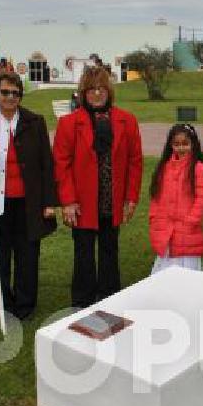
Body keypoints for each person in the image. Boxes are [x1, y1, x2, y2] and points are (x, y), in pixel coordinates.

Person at [0, 72, 59, 321]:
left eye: (15, 93)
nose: (10, 97)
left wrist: (49, 202)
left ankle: (25, 304)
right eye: (5, 92)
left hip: (28, 203)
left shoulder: (34, 122)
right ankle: (2, 305)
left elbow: (46, 164)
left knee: (28, 255)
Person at [53, 66, 144, 309]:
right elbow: (61, 165)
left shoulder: (127, 120)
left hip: (111, 199)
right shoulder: (69, 124)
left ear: (109, 91)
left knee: (109, 251)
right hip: (82, 202)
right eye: (91, 89)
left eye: (101, 88)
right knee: (83, 254)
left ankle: (110, 300)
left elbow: (135, 162)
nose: (96, 94)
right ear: (83, 93)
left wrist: (130, 198)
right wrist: (68, 201)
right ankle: (82, 303)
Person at [148, 123, 203, 274]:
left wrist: (191, 220)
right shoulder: (164, 168)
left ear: (193, 144)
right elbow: (156, 198)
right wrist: (154, 219)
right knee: (164, 273)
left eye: (185, 144)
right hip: (165, 231)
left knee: (187, 274)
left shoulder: (198, 168)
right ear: (170, 145)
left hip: (187, 231)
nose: (181, 148)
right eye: (176, 144)